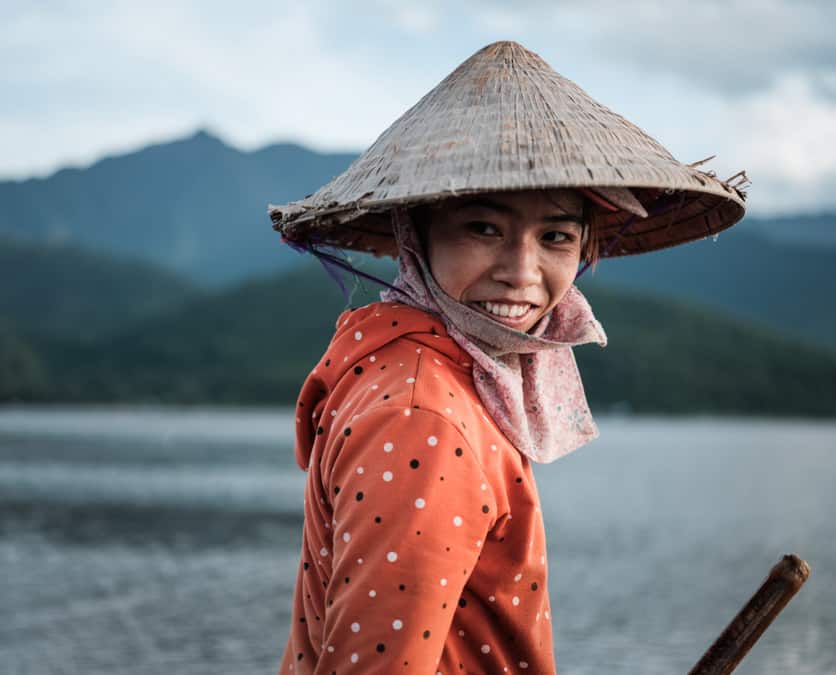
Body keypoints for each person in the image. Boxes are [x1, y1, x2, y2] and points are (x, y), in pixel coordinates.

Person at [270, 41, 746, 674]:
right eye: (484, 228)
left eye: (555, 236)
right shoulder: (424, 415)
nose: (522, 273)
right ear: (418, 231)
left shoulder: (427, 369)